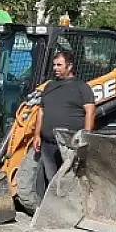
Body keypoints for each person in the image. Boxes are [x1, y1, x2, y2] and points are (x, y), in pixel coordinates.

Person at [31, 50, 94, 193]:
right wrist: (37, 135)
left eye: (59, 65)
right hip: (48, 144)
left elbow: (90, 111)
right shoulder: (49, 86)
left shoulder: (81, 87)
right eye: (54, 65)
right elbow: (41, 111)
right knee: (52, 178)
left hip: (69, 144)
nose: (55, 68)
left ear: (69, 66)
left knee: (71, 179)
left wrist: (86, 136)